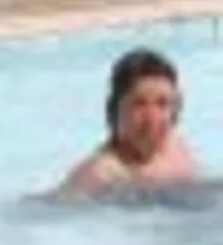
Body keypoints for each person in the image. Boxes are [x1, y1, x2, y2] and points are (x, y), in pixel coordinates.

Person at [55, 49, 199, 198]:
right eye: (139, 104)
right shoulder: (101, 175)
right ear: (115, 110)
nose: (152, 118)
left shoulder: (176, 147)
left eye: (162, 104)